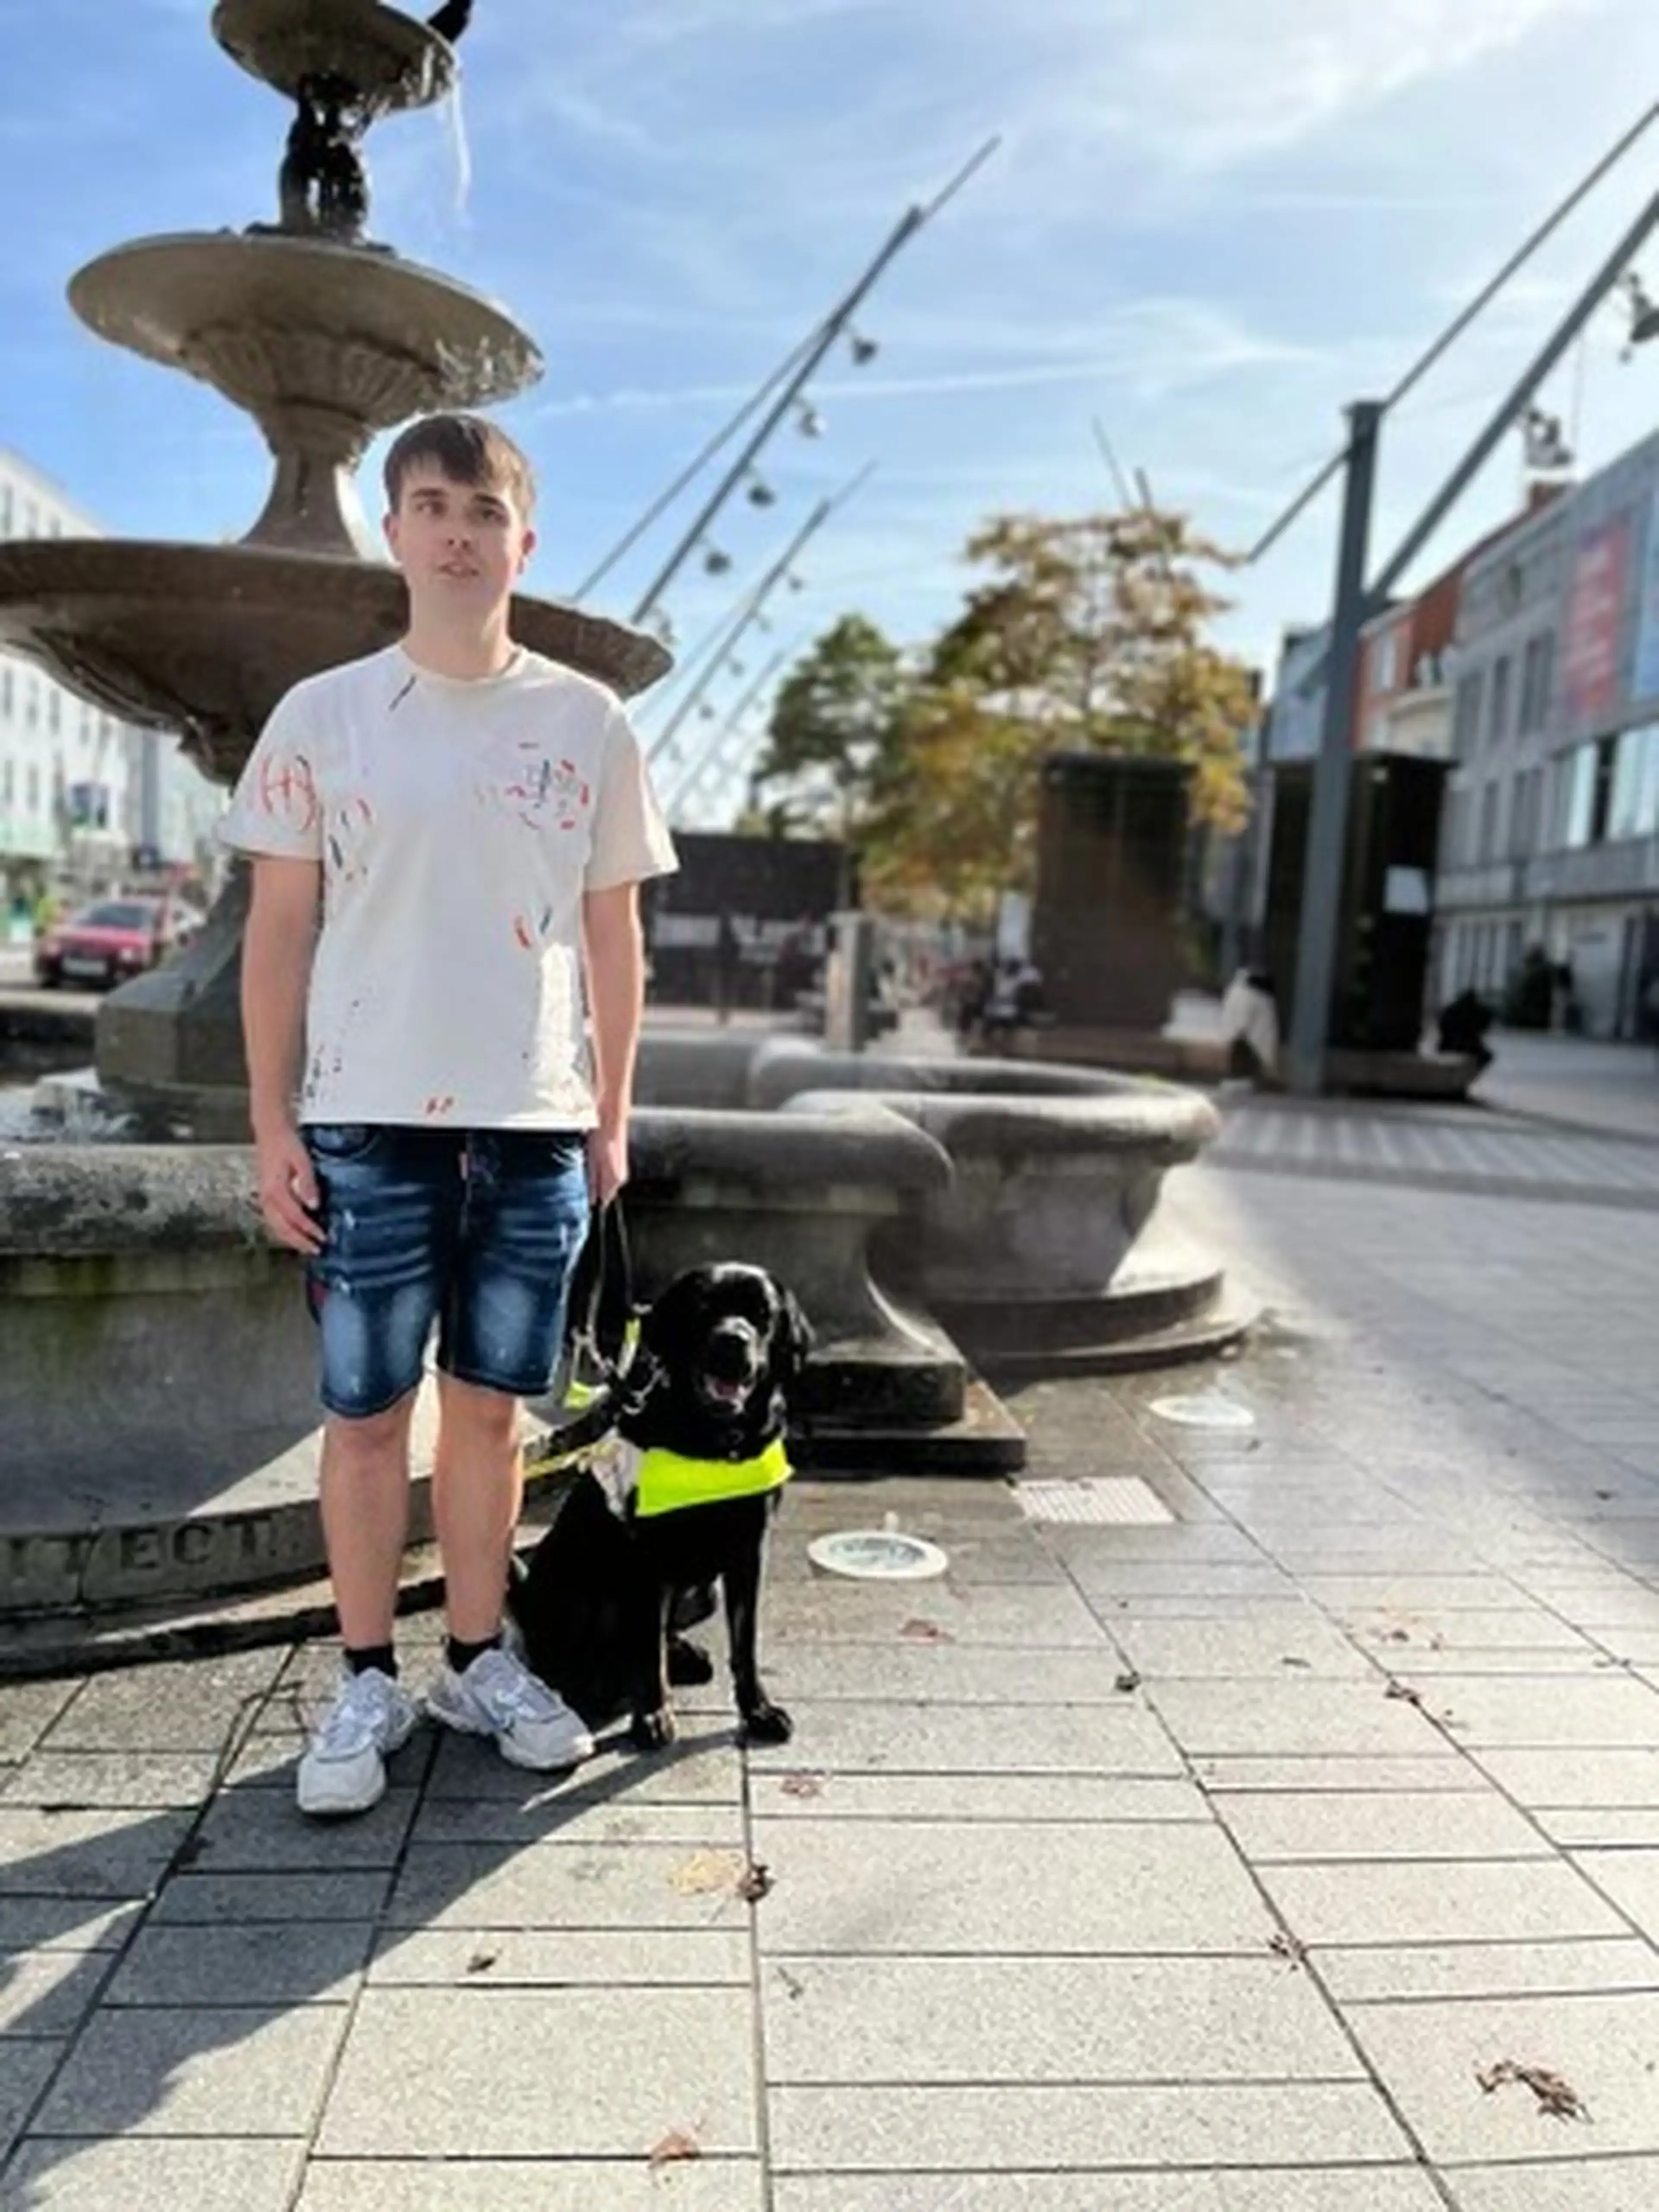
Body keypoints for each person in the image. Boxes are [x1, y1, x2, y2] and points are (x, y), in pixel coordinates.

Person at [222, 412, 677, 1818]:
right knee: (365, 1419)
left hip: (533, 1125)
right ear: (398, 537)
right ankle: (364, 1676)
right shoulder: (328, 718)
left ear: (524, 541)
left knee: (490, 1418)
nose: (460, 531)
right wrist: (272, 1126)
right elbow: (277, 935)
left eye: (485, 509)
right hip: (364, 1119)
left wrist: (609, 1118)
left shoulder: (588, 725)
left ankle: (476, 1660)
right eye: (431, 506)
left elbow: (617, 945)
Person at [1436, 986, 1494, 1075]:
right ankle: (1467, 1075)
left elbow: (1443, 1024)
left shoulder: (1453, 1009)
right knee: (1485, 1056)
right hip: (1460, 1043)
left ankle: (1463, 1075)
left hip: (1450, 1043)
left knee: (1484, 1056)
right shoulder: (1473, 1011)